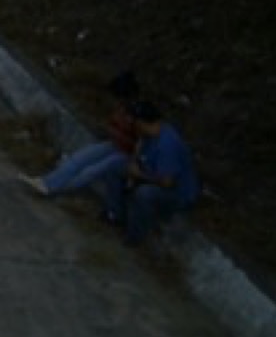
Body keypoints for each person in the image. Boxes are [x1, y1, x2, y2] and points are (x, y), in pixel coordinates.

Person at [22, 71, 138, 199]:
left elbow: (137, 144)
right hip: (115, 144)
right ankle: (46, 183)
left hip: (128, 154)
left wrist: (114, 132)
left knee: (93, 171)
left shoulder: (137, 113)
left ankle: (57, 189)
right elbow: (111, 125)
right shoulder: (121, 108)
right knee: (79, 159)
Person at [108, 101, 201, 247]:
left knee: (144, 194)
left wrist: (139, 175)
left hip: (175, 193)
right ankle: (115, 215)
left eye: (135, 122)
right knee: (116, 167)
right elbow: (139, 149)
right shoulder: (148, 134)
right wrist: (133, 163)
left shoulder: (167, 145)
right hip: (152, 174)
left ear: (143, 123)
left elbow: (167, 182)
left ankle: (134, 238)